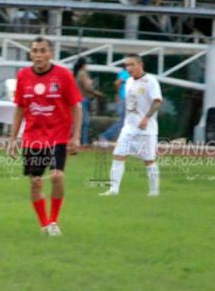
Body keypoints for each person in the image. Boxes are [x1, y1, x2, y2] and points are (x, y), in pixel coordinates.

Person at [7, 37, 82, 236]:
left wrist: (76, 136)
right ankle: (44, 224)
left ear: (50, 53)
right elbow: (20, 109)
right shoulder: (23, 76)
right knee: (36, 182)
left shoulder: (63, 75)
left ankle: (54, 221)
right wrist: (12, 139)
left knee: (57, 176)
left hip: (58, 136)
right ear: (30, 54)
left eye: (42, 50)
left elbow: (76, 106)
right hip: (33, 138)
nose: (38, 55)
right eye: (34, 51)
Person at [100, 54, 162, 196]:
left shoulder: (150, 81)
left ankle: (154, 192)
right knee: (118, 155)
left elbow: (157, 101)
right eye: (127, 65)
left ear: (140, 65)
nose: (129, 68)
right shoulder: (128, 82)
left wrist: (146, 118)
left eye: (132, 64)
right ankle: (113, 190)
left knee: (149, 160)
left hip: (146, 130)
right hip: (128, 128)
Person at [73, 58, 103, 145]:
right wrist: (97, 94)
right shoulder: (83, 73)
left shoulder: (78, 73)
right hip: (84, 99)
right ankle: (84, 142)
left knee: (83, 121)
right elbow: (87, 87)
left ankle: (83, 140)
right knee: (85, 122)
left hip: (80, 99)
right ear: (84, 65)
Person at [99, 65, 130, 143]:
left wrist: (117, 94)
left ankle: (122, 139)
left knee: (125, 122)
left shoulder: (123, 72)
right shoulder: (126, 73)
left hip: (124, 99)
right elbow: (117, 83)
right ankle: (105, 135)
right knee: (123, 122)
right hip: (124, 99)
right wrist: (118, 94)